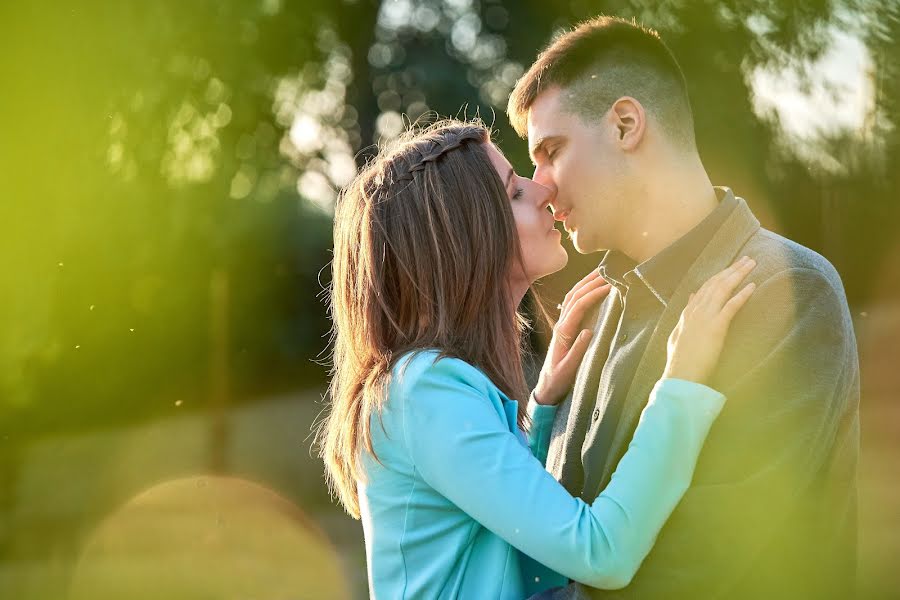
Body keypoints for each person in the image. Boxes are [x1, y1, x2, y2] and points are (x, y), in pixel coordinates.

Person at [317, 118, 759, 599]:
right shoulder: (423, 391)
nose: (542, 189)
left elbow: (514, 529)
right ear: (466, 238)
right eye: (513, 194)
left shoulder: (433, 383)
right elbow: (601, 551)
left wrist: (541, 408)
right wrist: (681, 382)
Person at [505, 16, 861, 600]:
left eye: (551, 151)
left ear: (625, 124)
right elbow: (557, 530)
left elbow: (700, 569)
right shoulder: (592, 307)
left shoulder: (785, 288)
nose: (541, 186)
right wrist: (542, 406)